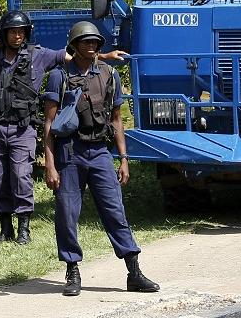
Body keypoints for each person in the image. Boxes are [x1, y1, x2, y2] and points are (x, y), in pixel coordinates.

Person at [0, 10, 125, 244]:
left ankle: (24, 228)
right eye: (12, 32)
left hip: (22, 127)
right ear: (3, 34)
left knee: (21, 175)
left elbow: (73, 56)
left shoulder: (38, 55)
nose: (17, 36)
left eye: (21, 32)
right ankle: (5, 227)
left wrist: (102, 55)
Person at [43, 21, 158, 297]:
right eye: (86, 42)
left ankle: (134, 272)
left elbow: (117, 120)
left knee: (115, 211)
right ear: (74, 45)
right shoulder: (59, 76)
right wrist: (50, 164)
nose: (92, 45)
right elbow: (48, 123)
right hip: (70, 152)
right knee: (67, 214)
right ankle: (72, 270)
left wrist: (124, 158)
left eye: (95, 42)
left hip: (99, 152)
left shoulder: (109, 74)